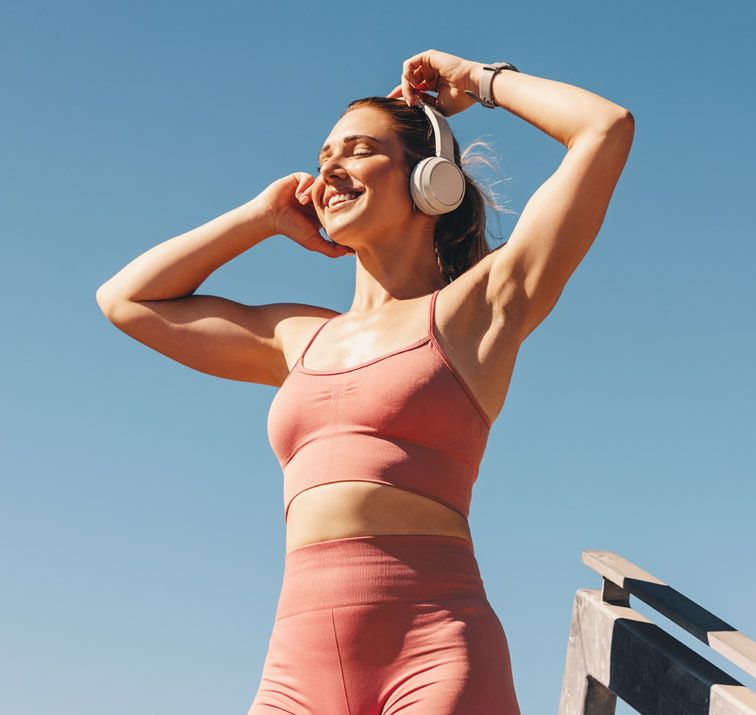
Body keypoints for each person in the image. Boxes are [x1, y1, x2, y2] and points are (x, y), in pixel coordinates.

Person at [96, 49, 634, 715]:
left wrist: (477, 81)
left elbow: (605, 128)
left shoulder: (475, 310)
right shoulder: (296, 337)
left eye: (356, 150)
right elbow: (126, 301)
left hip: (434, 655)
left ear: (428, 181)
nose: (329, 170)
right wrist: (260, 216)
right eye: (324, 158)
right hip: (294, 670)